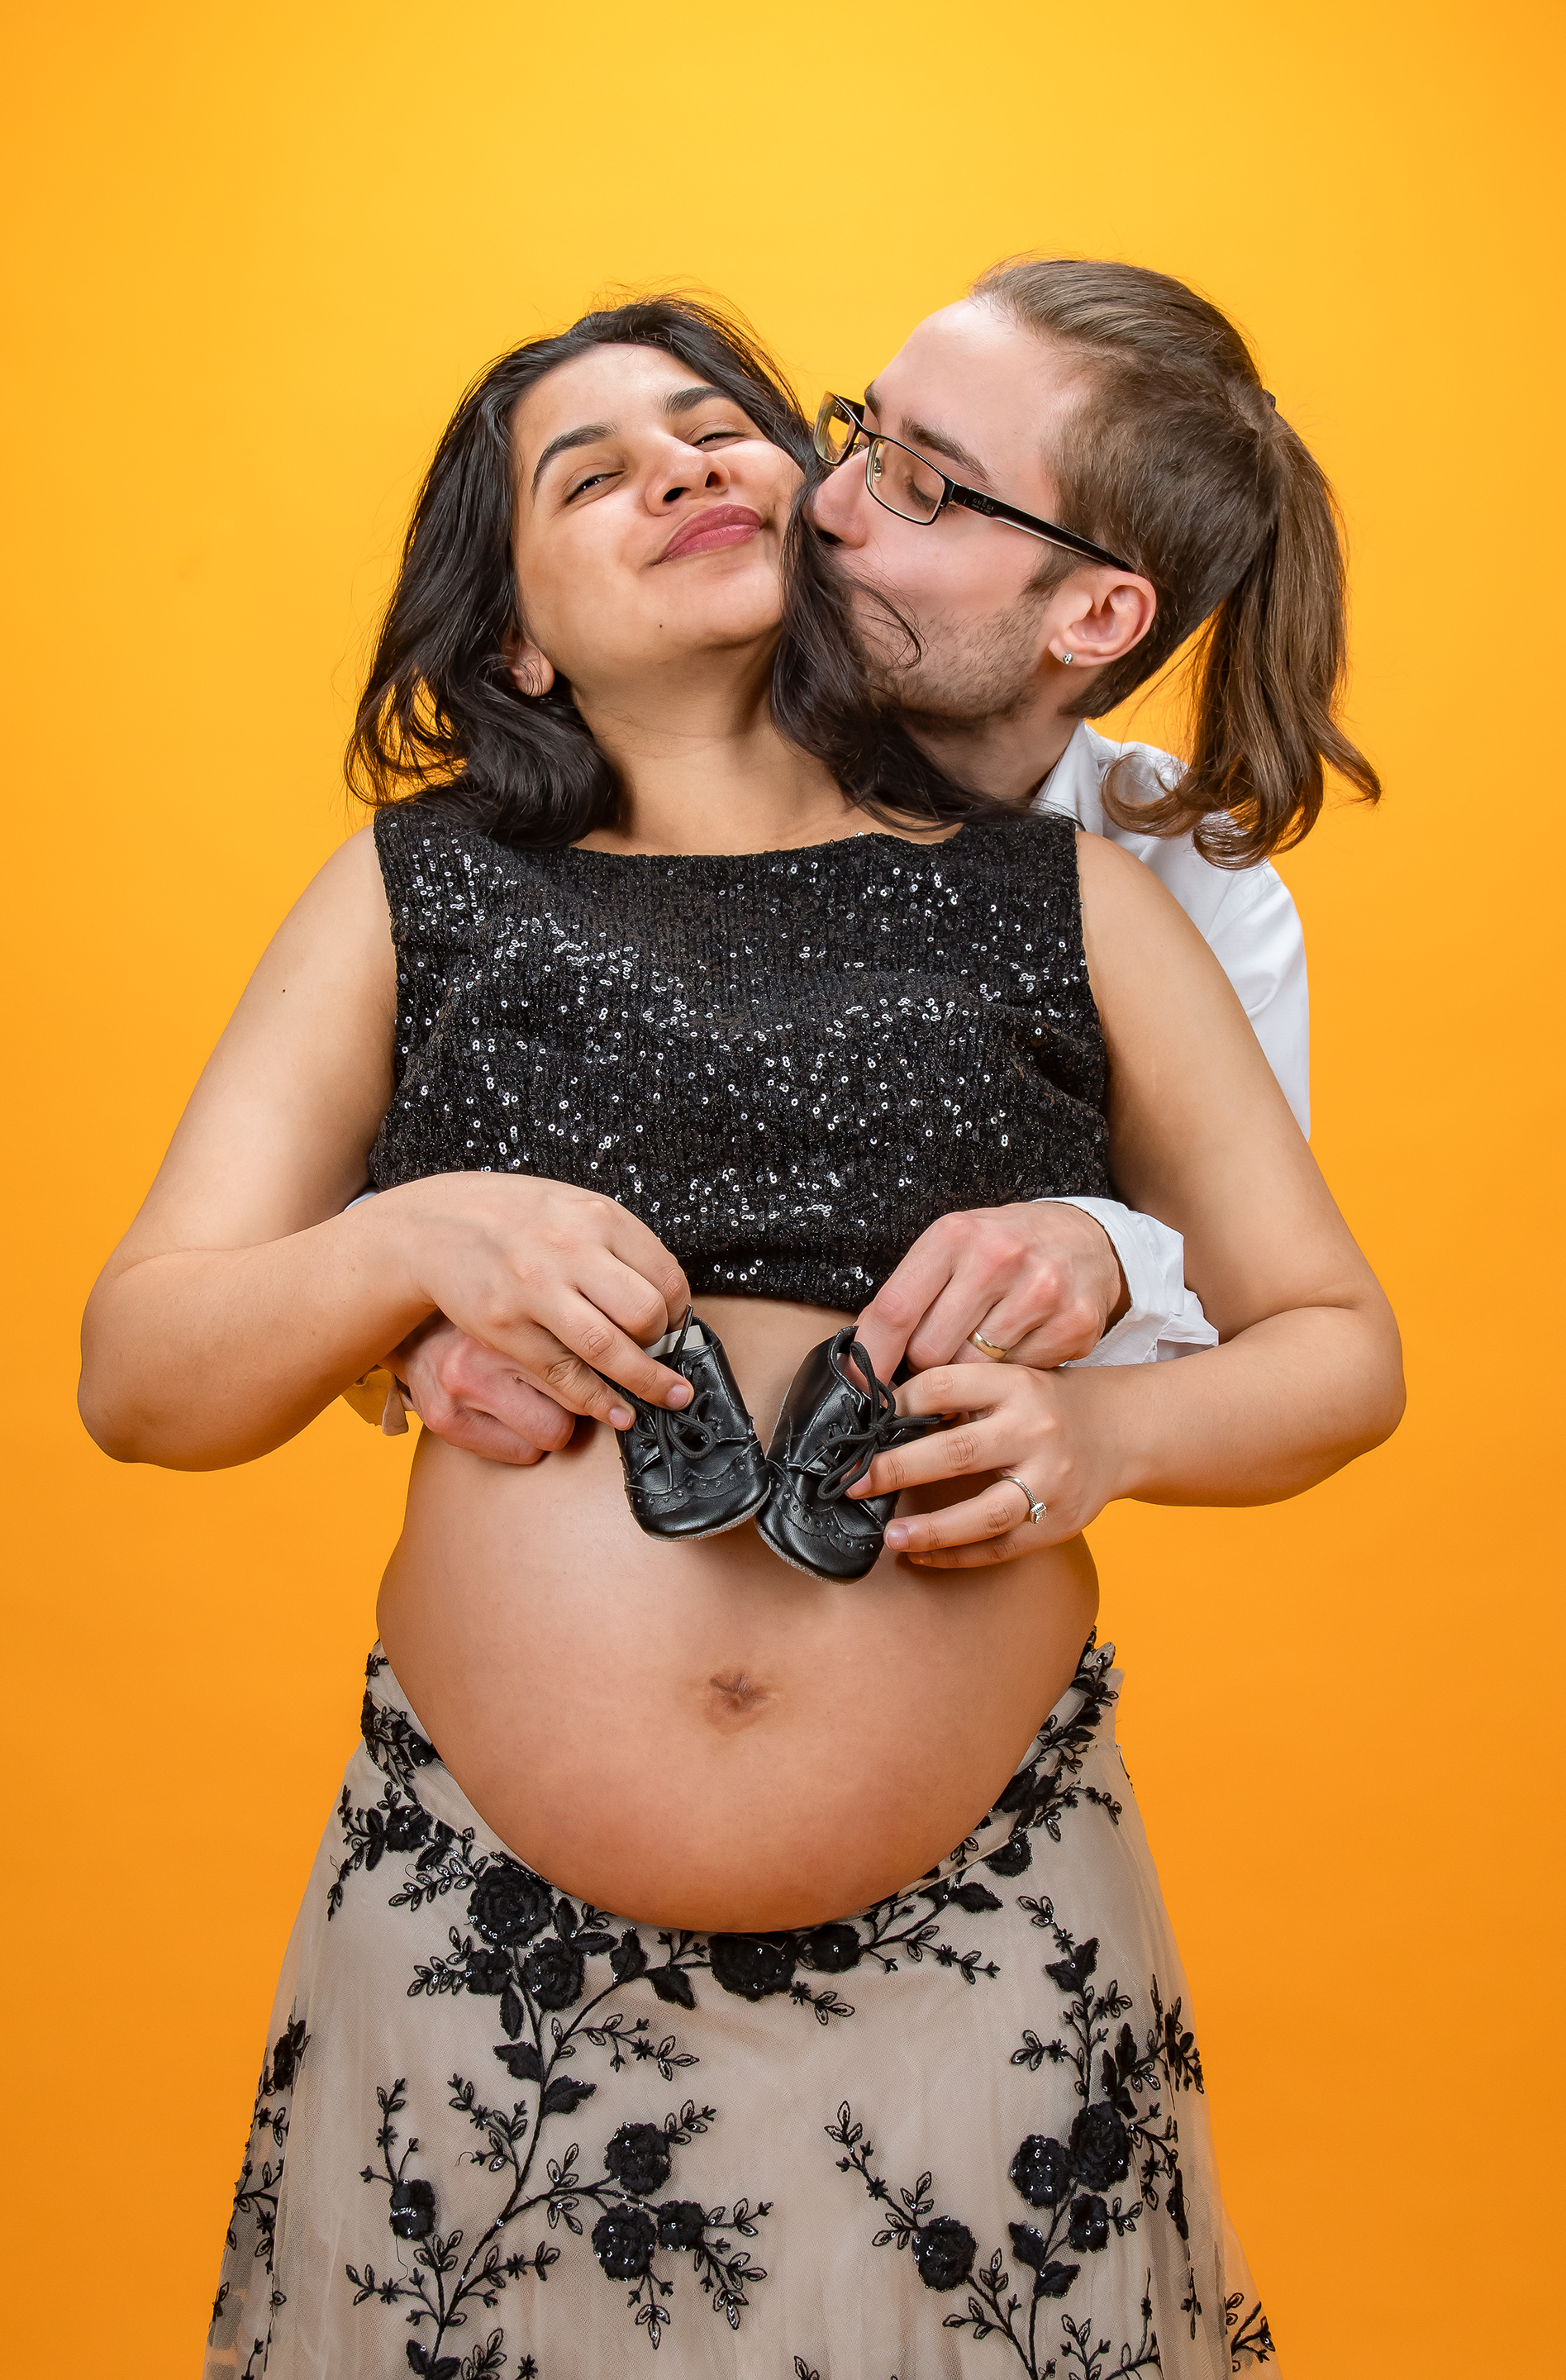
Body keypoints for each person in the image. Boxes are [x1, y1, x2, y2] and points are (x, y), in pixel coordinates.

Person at [79, 290, 1402, 2378]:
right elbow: (140, 1374)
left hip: (984, 1923)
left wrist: (1106, 1432)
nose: (685, 468)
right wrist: (415, 1245)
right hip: (485, 1943)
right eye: (588, 473)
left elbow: (1333, 1342)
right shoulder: (417, 893)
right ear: (518, 639)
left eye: (718, 429)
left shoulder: (1083, 890)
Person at [388, 259, 1348, 1471]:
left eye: (921, 485)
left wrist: (1112, 1251)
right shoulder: (637, 738)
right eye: (855, 433)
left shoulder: (1161, 889)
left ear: (1096, 618)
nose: (825, 500)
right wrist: (402, 1311)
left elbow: (1273, 1327)